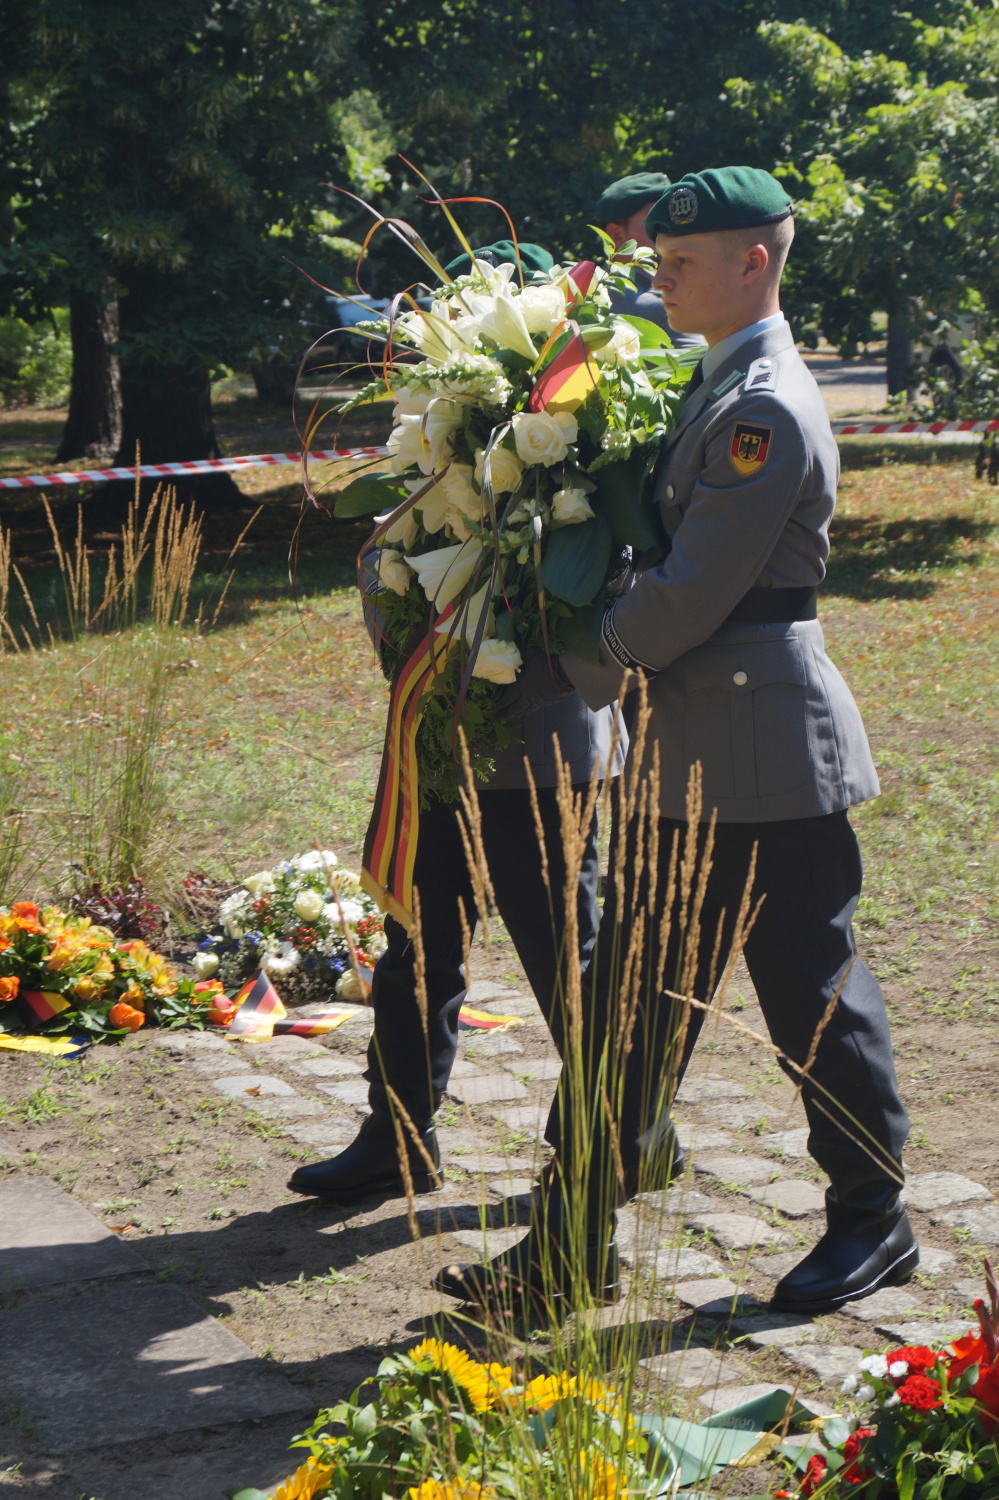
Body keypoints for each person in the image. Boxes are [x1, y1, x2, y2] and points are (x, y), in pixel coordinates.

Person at [435, 168, 914, 1317]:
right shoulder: (715, 383)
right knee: (623, 1010)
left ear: (754, 261)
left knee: (811, 994)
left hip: (764, 749)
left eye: (684, 261)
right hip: (689, 745)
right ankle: (568, 1241)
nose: (663, 272)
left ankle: (872, 1220)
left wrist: (558, 657)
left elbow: (685, 597)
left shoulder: (763, 409)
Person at [287, 242, 684, 1212]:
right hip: (442, 735)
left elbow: (606, 583)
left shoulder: (581, 434)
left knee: (569, 962)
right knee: (416, 941)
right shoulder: (429, 440)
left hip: (544, 749)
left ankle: (630, 1136)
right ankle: (397, 1136)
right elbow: (391, 558)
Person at [595, 171, 704, 351]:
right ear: (617, 234)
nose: (671, 227)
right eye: (654, 219)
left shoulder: (591, 291)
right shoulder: (661, 306)